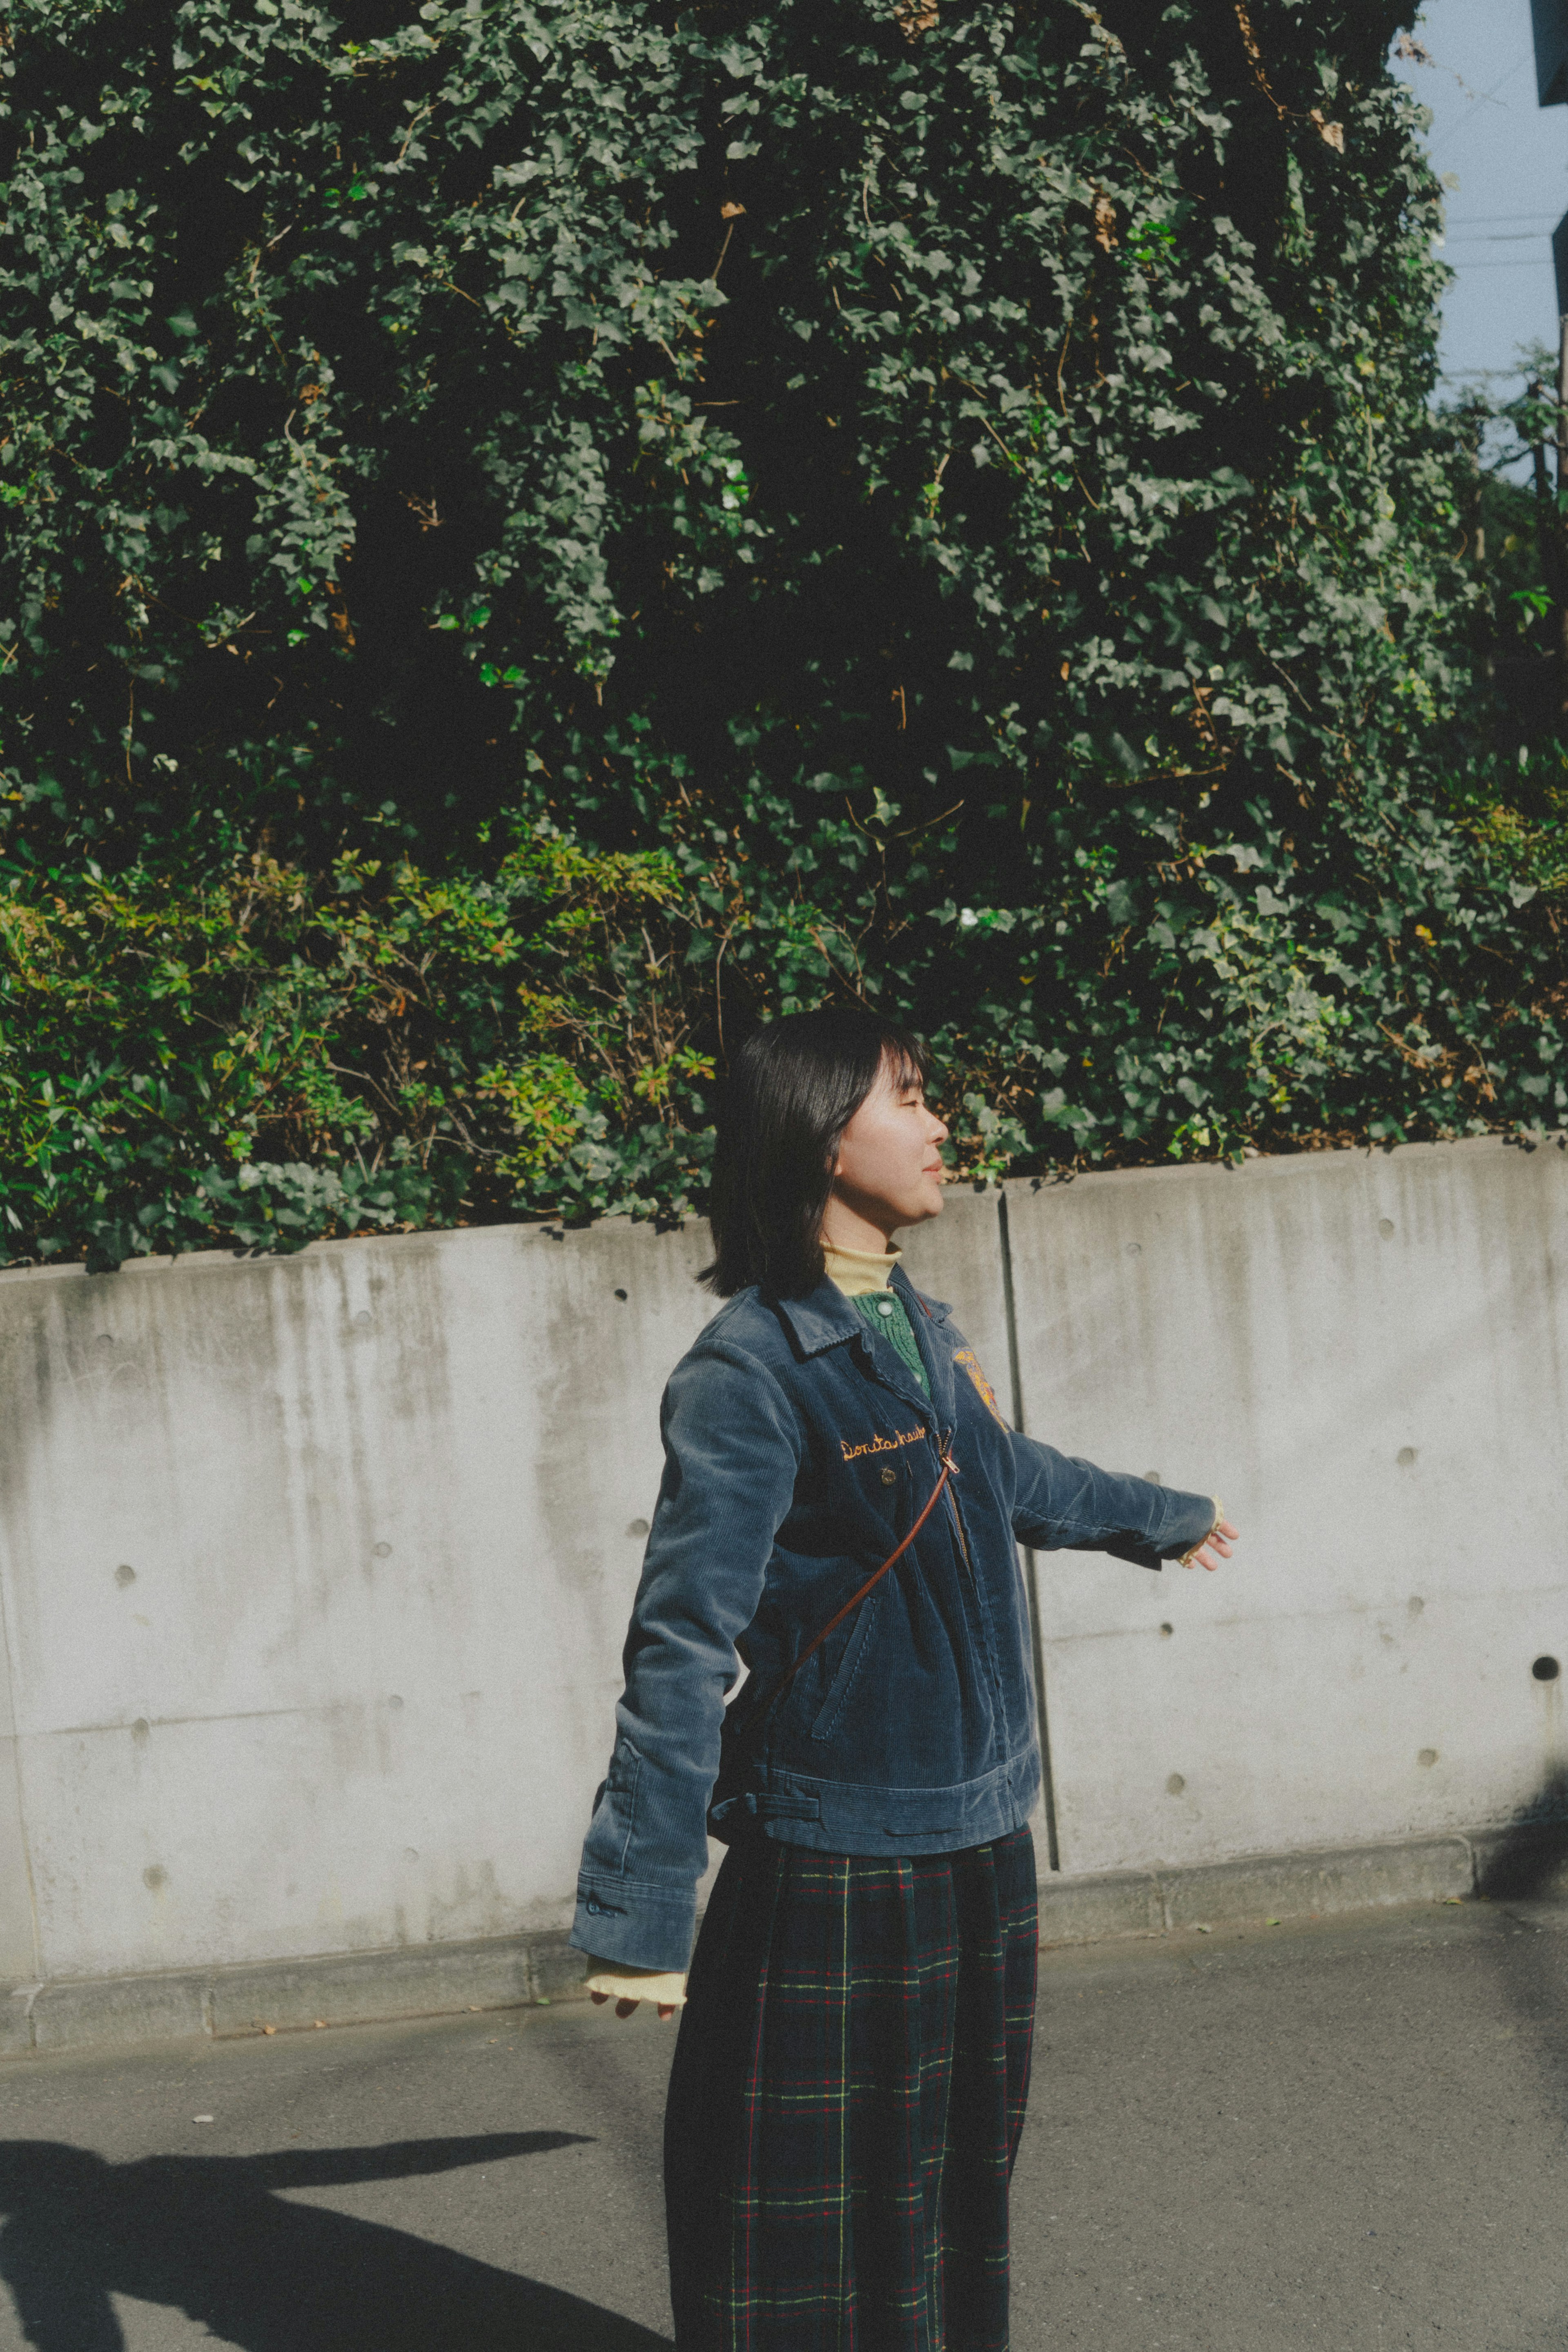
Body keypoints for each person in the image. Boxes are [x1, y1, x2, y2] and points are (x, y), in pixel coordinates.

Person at [571, 1006, 1236, 2352]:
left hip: (982, 1837)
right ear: (820, 1137)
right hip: (838, 1858)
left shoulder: (924, 1329)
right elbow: (683, 1637)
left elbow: (1011, 1478)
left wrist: (1155, 1516)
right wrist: (641, 1909)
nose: (940, 1126)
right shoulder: (751, 1370)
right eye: (910, 1099)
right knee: (799, 2218)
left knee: (947, 2193)